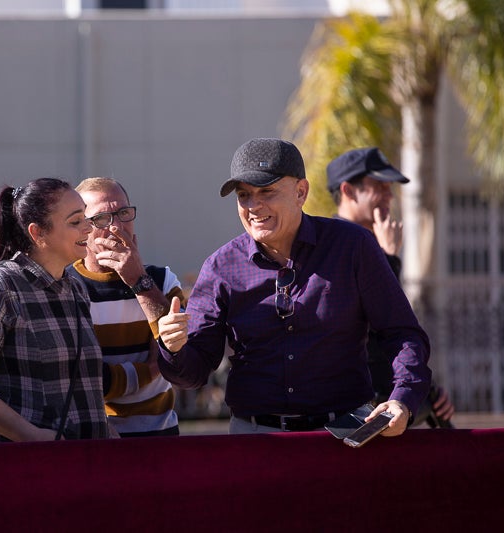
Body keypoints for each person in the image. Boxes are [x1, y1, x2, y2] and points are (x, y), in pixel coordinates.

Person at [157, 138, 431, 437]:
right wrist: (174, 349)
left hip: (345, 435)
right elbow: (194, 372)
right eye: (243, 195)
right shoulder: (221, 267)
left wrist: (403, 399)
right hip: (255, 441)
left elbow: (402, 333)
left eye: (267, 191)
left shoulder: (352, 247)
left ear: (301, 192)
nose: (253, 206)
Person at [0, 178, 110, 442]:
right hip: (20, 470)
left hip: (82, 468)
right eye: (75, 221)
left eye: (87, 219)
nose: (88, 229)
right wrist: (29, 435)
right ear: (37, 233)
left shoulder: (76, 288)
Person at [327, 147, 455, 426]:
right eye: (379, 187)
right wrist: (388, 259)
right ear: (348, 191)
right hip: (354, 410)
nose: (389, 196)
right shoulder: (329, 248)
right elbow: (368, 329)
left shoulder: (374, 244)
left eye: (390, 188)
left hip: (388, 403)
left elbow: (398, 332)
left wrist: (426, 393)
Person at [67, 177, 186, 437]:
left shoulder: (162, 280)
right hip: (94, 438)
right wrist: (152, 369)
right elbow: (83, 380)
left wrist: (137, 279)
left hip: (161, 435)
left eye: (123, 213)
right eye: (101, 219)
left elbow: (182, 361)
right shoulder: (65, 288)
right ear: (80, 229)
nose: (117, 227)